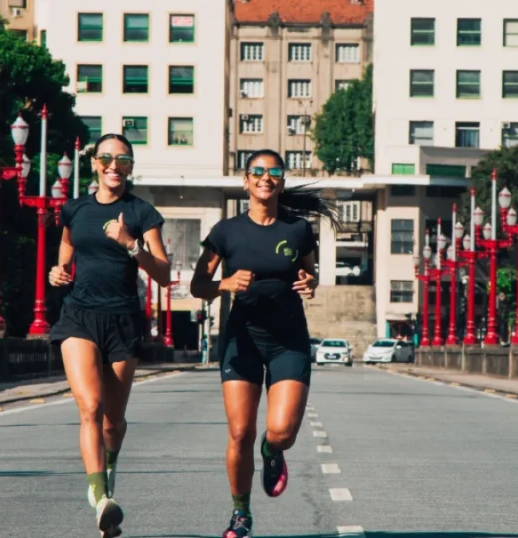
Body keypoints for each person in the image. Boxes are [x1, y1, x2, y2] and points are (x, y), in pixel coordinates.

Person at [189, 149, 338, 538]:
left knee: (282, 432)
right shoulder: (226, 232)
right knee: (240, 433)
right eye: (258, 170)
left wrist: (311, 283)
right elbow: (198, 285)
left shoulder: (298, 230)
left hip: (288, 339)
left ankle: (273, 454)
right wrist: (224, 283)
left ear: (282, 182)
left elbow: (309, 273)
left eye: (274, 171)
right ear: (246, 181)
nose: (265, 177)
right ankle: (241, 513)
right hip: (243, 339)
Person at [48, 133, 169, 538]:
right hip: (79, 317)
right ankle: (100, 498)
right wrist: (58, 270)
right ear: (95, 163)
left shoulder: (141, 212)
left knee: (113, 422)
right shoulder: (75, 209)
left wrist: (131, 244)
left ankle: (108, 474)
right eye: (106, 158)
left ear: (131, 166)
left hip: (122, 322)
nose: (114, 165)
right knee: (91, 407)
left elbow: (164, 274)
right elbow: (67, 244)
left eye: (123, 159)